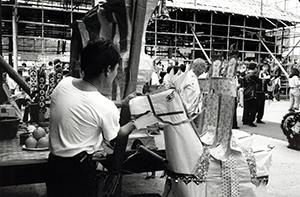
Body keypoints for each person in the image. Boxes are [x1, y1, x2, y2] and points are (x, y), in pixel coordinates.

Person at [46, 39, 136, 197]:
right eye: (116, 69)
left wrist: (121, 103)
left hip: (54, 165)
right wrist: (137, 122)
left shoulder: (64, 84)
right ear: (108, 70)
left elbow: (85, 105)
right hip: (78, 172)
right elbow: (116, 135)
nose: (116, 74)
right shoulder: (104, 107)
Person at [242, 62, 260, 127]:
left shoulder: (245, 74)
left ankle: (245, 120)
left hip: (245, 92)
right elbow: (258, 82)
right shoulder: (252, 75)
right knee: (254, 108)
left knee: (246, 108)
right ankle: (250, 121)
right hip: (251, 93)